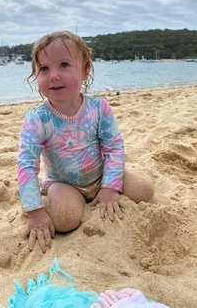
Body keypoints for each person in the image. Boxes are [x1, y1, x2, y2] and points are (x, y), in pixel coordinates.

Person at [17, 30, 154, 252]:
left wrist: (110, 187)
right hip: (64, 183)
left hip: (100, 175)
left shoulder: (99, 109)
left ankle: (106, 188)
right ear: (35, 74)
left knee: (145, 191)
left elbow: (114, 148)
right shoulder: (37, 119)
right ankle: (47, 188)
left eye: (64, 64)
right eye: (44, 68)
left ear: (85, 70)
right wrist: (35, 212)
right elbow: (26, 165)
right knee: (65, 220)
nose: (53, 75)